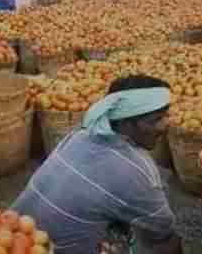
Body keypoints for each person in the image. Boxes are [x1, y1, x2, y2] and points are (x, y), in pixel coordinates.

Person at [13, 75, 181, 254]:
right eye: (156, 119)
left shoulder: (80, 135)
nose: (165, 125)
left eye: (165, 115)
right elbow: (162, 233)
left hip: (12, 234)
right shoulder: (136, 169)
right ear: (125, 122)